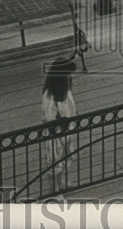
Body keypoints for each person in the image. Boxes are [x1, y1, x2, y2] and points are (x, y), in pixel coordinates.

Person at [42, 55, 78, 190]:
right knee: (54, 161)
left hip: (67, 130)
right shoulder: (50, 95)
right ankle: (54, 188)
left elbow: (69, 106)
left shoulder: (65, 90)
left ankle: (61, 182)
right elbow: (49, 116)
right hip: (55, 133)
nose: (70, 77)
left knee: (66, 157)